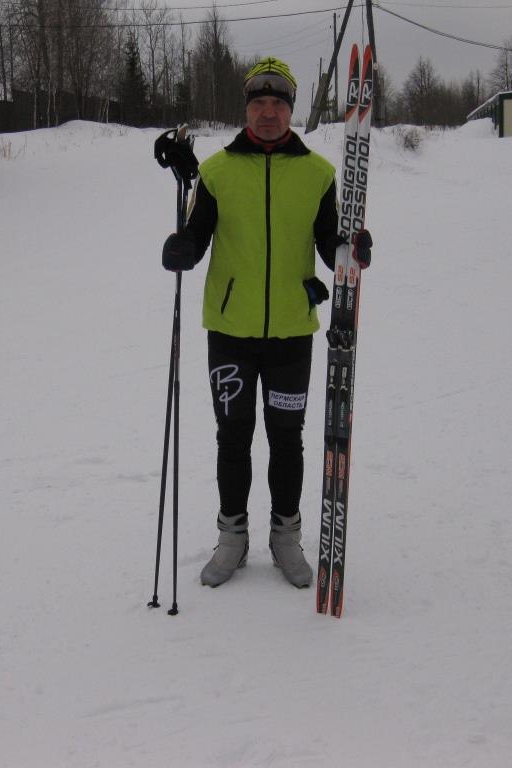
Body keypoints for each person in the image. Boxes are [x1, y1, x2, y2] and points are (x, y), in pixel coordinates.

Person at [162, 57, 372, 588]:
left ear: (290, 110)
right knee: (232, 437)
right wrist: (182, 246)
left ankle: (286, 537)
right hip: (229, 331)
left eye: (278, 103)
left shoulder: (318, 174)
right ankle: (232, 538)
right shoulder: (216, 171)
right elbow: (198, 235)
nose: (269, 112)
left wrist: (351, 249)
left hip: (291, 335)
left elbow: (329, 245)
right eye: (259, 103)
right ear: (247, 110)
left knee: (286, 438)